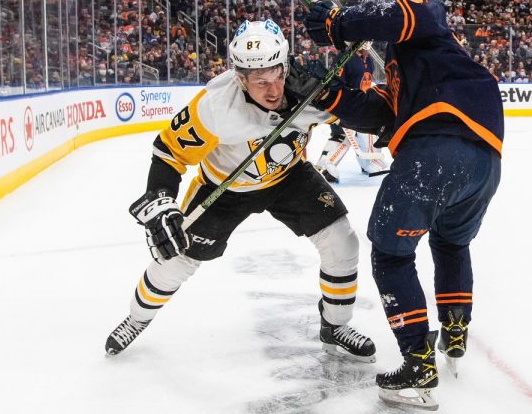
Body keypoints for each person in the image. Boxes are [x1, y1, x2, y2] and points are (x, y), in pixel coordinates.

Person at [105, 19, 376, 364]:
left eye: (278, 74)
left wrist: (353, 73)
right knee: (175, 260)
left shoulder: (310, 87)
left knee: (342, 241)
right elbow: (168, 152)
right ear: (240, 77)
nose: (274, 89)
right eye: (260, 81)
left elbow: (363, 116)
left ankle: (335, 326)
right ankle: (136, 318)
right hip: (224, 188)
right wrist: (161, 198)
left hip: (289, 176)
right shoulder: (215, 107)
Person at [286, 0, 503, 409]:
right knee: (451, 241)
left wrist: (338, 20)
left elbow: (398, 13)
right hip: (484, 165)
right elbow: (376, 111)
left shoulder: (428, 15)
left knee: (390, 252)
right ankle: (454, 332)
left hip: (437, 150)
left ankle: (418, 364)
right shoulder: (418, 70)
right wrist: (324, 93)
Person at [314, 42, 390, 182]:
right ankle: (325, 167)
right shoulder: (345, 57)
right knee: (342, 136)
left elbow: (366, 81)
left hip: (360, 106)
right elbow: (334, 83)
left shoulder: (368, 60)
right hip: (345, 105)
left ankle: (367, 163)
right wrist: (340, 103)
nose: (366, 45)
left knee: (365, 133)